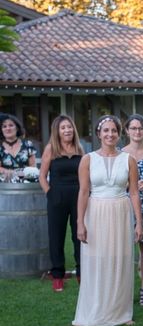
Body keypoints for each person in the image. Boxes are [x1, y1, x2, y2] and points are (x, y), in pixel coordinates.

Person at [72, 116, 143, 326]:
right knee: (95, 259)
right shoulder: (88, 159)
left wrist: (138, 222)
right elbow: (83, 192)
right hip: (95, 212)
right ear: (98, 134)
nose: (110, 134)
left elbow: (134, 193)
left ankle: (120, 312)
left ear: (119, 133)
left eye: (114, 131)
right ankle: (92, 311)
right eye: (106, 131)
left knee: (120, 260)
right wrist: (80, 222)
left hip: (121, 211)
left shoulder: (128, 160)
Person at [39, 115, 84, 292]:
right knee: (56, 237)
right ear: (57, 131)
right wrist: (50, 193)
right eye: (63, 128)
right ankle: (57, 275)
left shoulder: (80, 149)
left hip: (78, 197)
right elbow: (42, 176)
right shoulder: (51, 149)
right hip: (56, 197)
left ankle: (82, 272)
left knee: (79, 236)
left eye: (70, 127)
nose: (67, 130)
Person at [122, 115, 143, 306]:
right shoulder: (120, 154)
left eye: (141, 128)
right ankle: (124, 289)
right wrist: (130, 185)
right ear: (127, 131)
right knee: (124, 249)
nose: (137, 132)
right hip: (125, 204)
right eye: (133, 128)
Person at [1, 114, 36, 179]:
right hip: (4, 184)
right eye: (4, 126)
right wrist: (14, 173)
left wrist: (23, 175)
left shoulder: (28, 145)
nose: (8, 128)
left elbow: (33, 167)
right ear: (1, 130)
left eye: (11, 125)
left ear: (17, 128)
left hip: (25, 182)